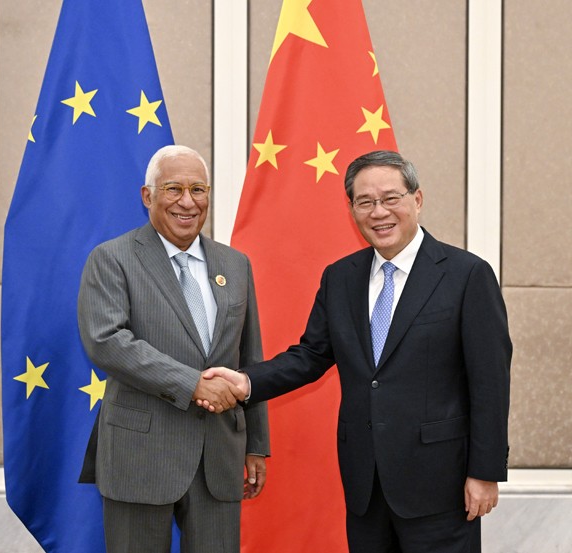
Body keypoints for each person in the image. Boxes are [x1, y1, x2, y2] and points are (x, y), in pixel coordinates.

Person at [201, 150, 511, 553]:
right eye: (365, 202)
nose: (378, 211)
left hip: (441, 484)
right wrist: (245, 382)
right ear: (351, 210)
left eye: (390, 198)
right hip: (366, 484)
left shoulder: (467, 275)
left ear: (417, 200)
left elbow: (490, 381)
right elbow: (310, 356)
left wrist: (484, 473)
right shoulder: (340, 277)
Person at [77, 145, 269, 553]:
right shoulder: (112, 259)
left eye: (198, 189)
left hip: (219, 455)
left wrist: (255, 444)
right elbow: (107, 342)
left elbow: (250, 357)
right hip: (140, 455)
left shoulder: (235, 265)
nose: (188, 201)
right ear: (148, 196)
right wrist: (192, 384)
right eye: (174, 189)